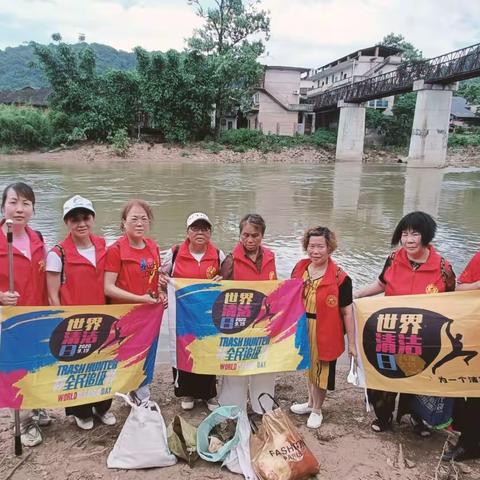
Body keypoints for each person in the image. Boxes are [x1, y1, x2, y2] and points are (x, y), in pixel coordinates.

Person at [355, 211, 455, 435]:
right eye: (404, 234)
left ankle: (416, 418)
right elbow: (381, 284)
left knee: (418, 375)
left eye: (415, 234)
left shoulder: (442, 267)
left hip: (423, 337)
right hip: (390, 331)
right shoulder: (393, 259)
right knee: (386, 372)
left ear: (426, 236)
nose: (409, 240)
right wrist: (358, 295)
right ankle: (384, 417)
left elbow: (453, 301)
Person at [46, 195, 116, 430]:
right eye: (74, 219)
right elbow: (52, 294)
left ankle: (102, 407)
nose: (81, 223)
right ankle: (81, 412)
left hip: (102, 318)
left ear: (93, 219)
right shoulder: (58, 254)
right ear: (67, 223)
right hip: (73, 322)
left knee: (102, 362)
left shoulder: (104, 245)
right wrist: (60, 321)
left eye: (85, 217)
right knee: (76, 368)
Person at [289, 227, 356, 429]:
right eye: (311, 246)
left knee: (322, 371)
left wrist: (352, 343)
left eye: (320, 246)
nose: (315, 251)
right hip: (303, 326)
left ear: (329, 248)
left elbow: (347, 312)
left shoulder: (340, 277)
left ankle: (318, 409)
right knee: (309, 368)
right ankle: (310, 403)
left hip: (325, 329)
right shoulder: (300, 268)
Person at [0, 182, 50, 446]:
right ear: (3, 206)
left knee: (37, 365)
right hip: (8, 320)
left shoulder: (38, 239)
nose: (19, 209)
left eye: (26, 204)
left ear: (32, 209)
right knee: (15, 370)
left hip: (37, 317)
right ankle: (25, 421)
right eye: (13, 202)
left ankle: (38, 408)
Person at [161, 212, 225, 411]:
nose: (200, 232)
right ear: (187, 232)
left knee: (207, 350)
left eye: (204, 228)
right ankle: (186, 392)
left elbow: (228, 278)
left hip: (207, 317)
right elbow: (161, 277)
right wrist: (163, 284)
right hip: (182, 316)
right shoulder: (174, 252)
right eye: (195, 228)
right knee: (184, 350)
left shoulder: (218, 255)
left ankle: (209, 394)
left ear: (210, 233)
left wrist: (222, 280)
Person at [104, 199, 163, 405]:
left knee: (147, 352)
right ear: (123, 222)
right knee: (125, 355)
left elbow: (155, 277)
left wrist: (161, 292)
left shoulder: (153, 246)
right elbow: (108, 287)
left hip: (150, 315)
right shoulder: (115, 250)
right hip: (125, 315)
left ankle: (142, 394)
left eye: (144, 219)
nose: (139, 223)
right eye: (134, 219)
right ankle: (123, 392)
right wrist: (140, 299)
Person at [218, 213, 277, 414]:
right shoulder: (230, 260)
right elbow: (219, 295)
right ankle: (233, 408)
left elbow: (276, 289)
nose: (250, 240)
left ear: (262, 235)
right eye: (245, 235)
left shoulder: (270, 257)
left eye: (255, 235)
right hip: (238, 324)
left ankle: (264, 407)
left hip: (262, 323)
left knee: (264, 365)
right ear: (240, 235)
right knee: (235, 364)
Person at [442, 251, 480, 462]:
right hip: (476, 333)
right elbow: (459, 288)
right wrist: (478, 285)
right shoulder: (479, 258)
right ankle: (468, 444)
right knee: (474, 391)